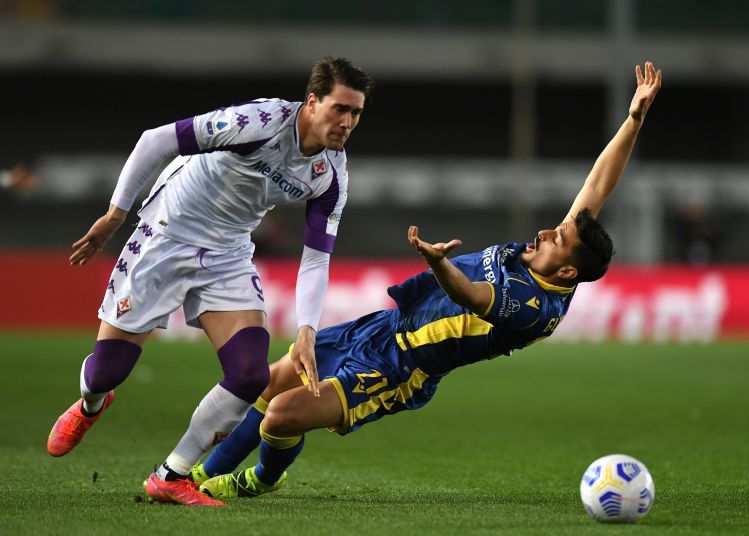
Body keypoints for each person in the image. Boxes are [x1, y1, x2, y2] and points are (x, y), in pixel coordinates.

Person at [192, 62, 663, 502]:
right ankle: (200, 477)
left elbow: (472, 295)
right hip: (380, 327)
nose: (544, 232)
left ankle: (260, 479)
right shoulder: (552, 256)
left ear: (567, 271)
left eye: (556, 238)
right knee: (270, 383)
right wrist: (634, 119)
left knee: (281, 416)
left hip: (400, 368)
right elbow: (597, 188)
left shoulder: (536, 307)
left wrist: (440, 264)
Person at [46, 57, 375, 507]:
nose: (347, 122)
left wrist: (306, 330)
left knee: (249, 373)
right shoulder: (260, 121)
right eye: (340, 108)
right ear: (312, 101)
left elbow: (316, 258)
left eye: (356, 113)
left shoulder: (331, 176)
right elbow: (157, 140)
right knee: (108, 371)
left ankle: (170, 475)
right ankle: (90, 403)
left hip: (228, 252)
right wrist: (114, 215)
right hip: (168, 231)